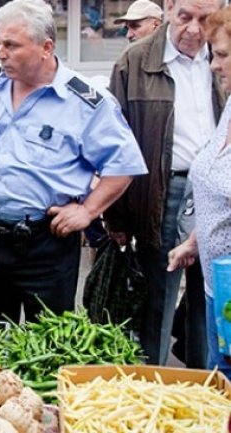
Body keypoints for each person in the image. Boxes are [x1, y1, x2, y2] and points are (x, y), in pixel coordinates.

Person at [0, 0, 147, 324]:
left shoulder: (85, 102)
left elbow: (124, 165)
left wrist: (87, 211)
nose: (0, 53)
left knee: (47, 346)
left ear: (46, 47)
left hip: (45, 245)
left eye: (11, 45)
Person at [107, 0, 225, 366]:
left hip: (218, 190)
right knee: (159, 295)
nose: (193, 29)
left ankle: (202, 384)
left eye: (204, 19)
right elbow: (115, 141)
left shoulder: (221, 54)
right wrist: (117, 218)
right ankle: (154, 384)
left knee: (211, 295)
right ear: (169, 7)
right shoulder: (135, 60)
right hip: (164, 189)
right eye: (185, 16)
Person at [167, 5, 231, 378]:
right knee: (218, 382)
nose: (213, 65)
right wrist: (196, 240)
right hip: (216, 288)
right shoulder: (229, 106)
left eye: (221, 55)